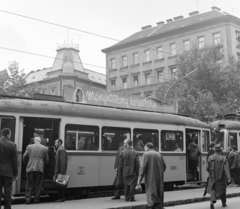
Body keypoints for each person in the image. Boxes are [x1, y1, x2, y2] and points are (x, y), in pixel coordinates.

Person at [138, 142, 166, 209]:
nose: (144, 148)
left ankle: (152, 205)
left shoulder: (146, 154)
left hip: (150, 178)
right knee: (158, 193)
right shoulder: (159, 154)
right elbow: (164, 167)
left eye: (144, 147)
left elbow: (143, 168)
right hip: (159, 178)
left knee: (151, 193)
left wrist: (139, 179)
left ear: (147, 147)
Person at [23, 136, 49, 204]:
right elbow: (46, 160)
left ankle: (28, 199)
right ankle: (36, 200)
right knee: (38, 184)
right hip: (40, 167)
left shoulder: (29, 147)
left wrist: (27, 163)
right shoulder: (45, 148)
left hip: (30, 166)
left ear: (34, 141)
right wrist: (44, 163)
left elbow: (25, 156)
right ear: (40, 141)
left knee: (29, 184)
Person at [206, 144, 231, 209]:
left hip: (212, 177)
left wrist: (210, 173)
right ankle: (223, 203)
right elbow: (226, 169)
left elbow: (207, 167)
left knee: (213, 189)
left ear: (214, 151)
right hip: (221, 177)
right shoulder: (223, 158)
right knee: (222, 190)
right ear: (220, 151)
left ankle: (212, 202)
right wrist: (229, 178)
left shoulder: (210, 157)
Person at [0, 128, 18, 209]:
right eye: (10, 134)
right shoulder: (12, 145)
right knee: (8, 192)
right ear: (7, 135)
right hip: (8, 172)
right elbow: (14, 161)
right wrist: (15, 173)